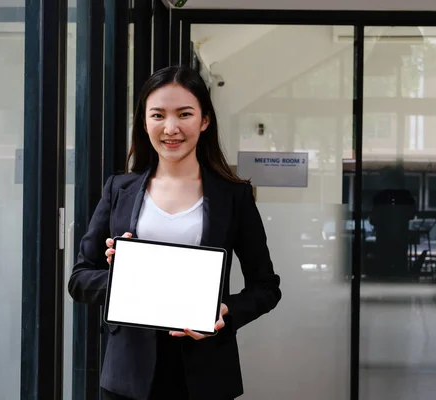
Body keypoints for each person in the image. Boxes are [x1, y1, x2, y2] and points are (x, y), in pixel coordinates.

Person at [68, 65, 282, 400]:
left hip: (207, 375)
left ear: (205, 120)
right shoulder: (119, 190)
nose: (171, 128)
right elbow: (80, 279)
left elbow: (266, 287)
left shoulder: (233, 196)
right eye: (158, 115)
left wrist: (224, 312)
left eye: (184, 114)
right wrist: (124, 276)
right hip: (129, 377)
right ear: (144, 121)